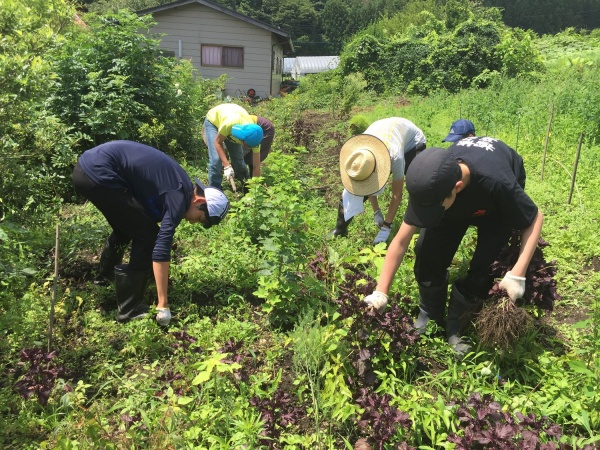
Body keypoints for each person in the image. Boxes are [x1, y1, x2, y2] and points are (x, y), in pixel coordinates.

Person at [362, 134, 544, 356]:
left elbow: (535, 218)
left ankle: (458, 319)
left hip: (493, 206)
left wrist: (518, 274)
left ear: (457, 187)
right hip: (453, 200)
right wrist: (381, 292)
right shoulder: (431, 181)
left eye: (434, 209)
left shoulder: (497, 182)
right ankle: (430, 313)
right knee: (426, 250)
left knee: (486, 263)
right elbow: (401, 240)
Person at [72, 140, 230, 326]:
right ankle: (129, 309)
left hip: (89, 168)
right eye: (201, 218)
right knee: (147, 234)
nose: (194, 222)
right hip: (98, 172)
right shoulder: (177, 196)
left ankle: (105, 279)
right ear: (199, 200)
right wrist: (163, 304)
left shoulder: (181, 189)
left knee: (130, 226)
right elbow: (161, 246)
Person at [329, 117, 427, 245]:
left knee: (416, 182)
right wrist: (376, 211)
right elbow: (367, 183)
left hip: (412, 142)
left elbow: (397, 194)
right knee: (353, 190)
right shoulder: (360, 153)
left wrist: (386, 226)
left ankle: (423, 219)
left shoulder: (395, 155)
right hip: (383, 132)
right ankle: (340, 229)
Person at [203, 103, 275, 188]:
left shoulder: (254, 137)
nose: (249, 148)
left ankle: (246, 188)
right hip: (214, 122)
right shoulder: (229, 125)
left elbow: (256, 167)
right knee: (216, 160)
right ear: (242, 140)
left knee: (239, 161)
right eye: (247, 146)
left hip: (231, 120)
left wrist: (254, 189)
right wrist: (226, 166)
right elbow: (217, 143)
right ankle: (215, 191)